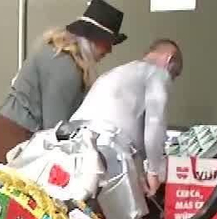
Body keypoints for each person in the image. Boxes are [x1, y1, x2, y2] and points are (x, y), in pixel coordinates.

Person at [0, 0, 125, 162]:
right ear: (92, 39)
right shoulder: (65, 65)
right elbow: (55, 128)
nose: (109, 50)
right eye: (107, 42)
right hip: (17, 135)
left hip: (17, 131)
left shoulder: (63, 56)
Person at [69, 38, 183, 194]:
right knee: (130, 214)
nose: (171, 80)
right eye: (174, 74)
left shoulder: (119, 72)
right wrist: (154, 171)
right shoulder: (157, 73)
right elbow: (155, 123)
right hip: (105, 150)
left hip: (73, 142)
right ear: (168, 59)